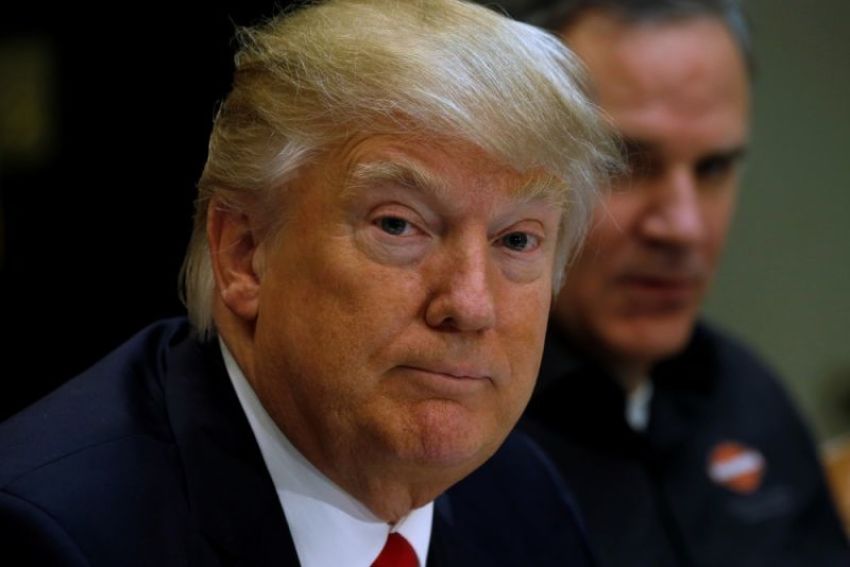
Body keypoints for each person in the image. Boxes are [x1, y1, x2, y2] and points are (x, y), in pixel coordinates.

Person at [0, 1, 619, 565]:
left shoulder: (524, 501)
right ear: (245, 254)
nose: (469, 303)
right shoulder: (55, 533)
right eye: (399, 224)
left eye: (517, 240)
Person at [500, 0, 850, 565]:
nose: (683, 227)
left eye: (712, 168)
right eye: (625, 162)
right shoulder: (453, 439)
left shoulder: (747, 396)